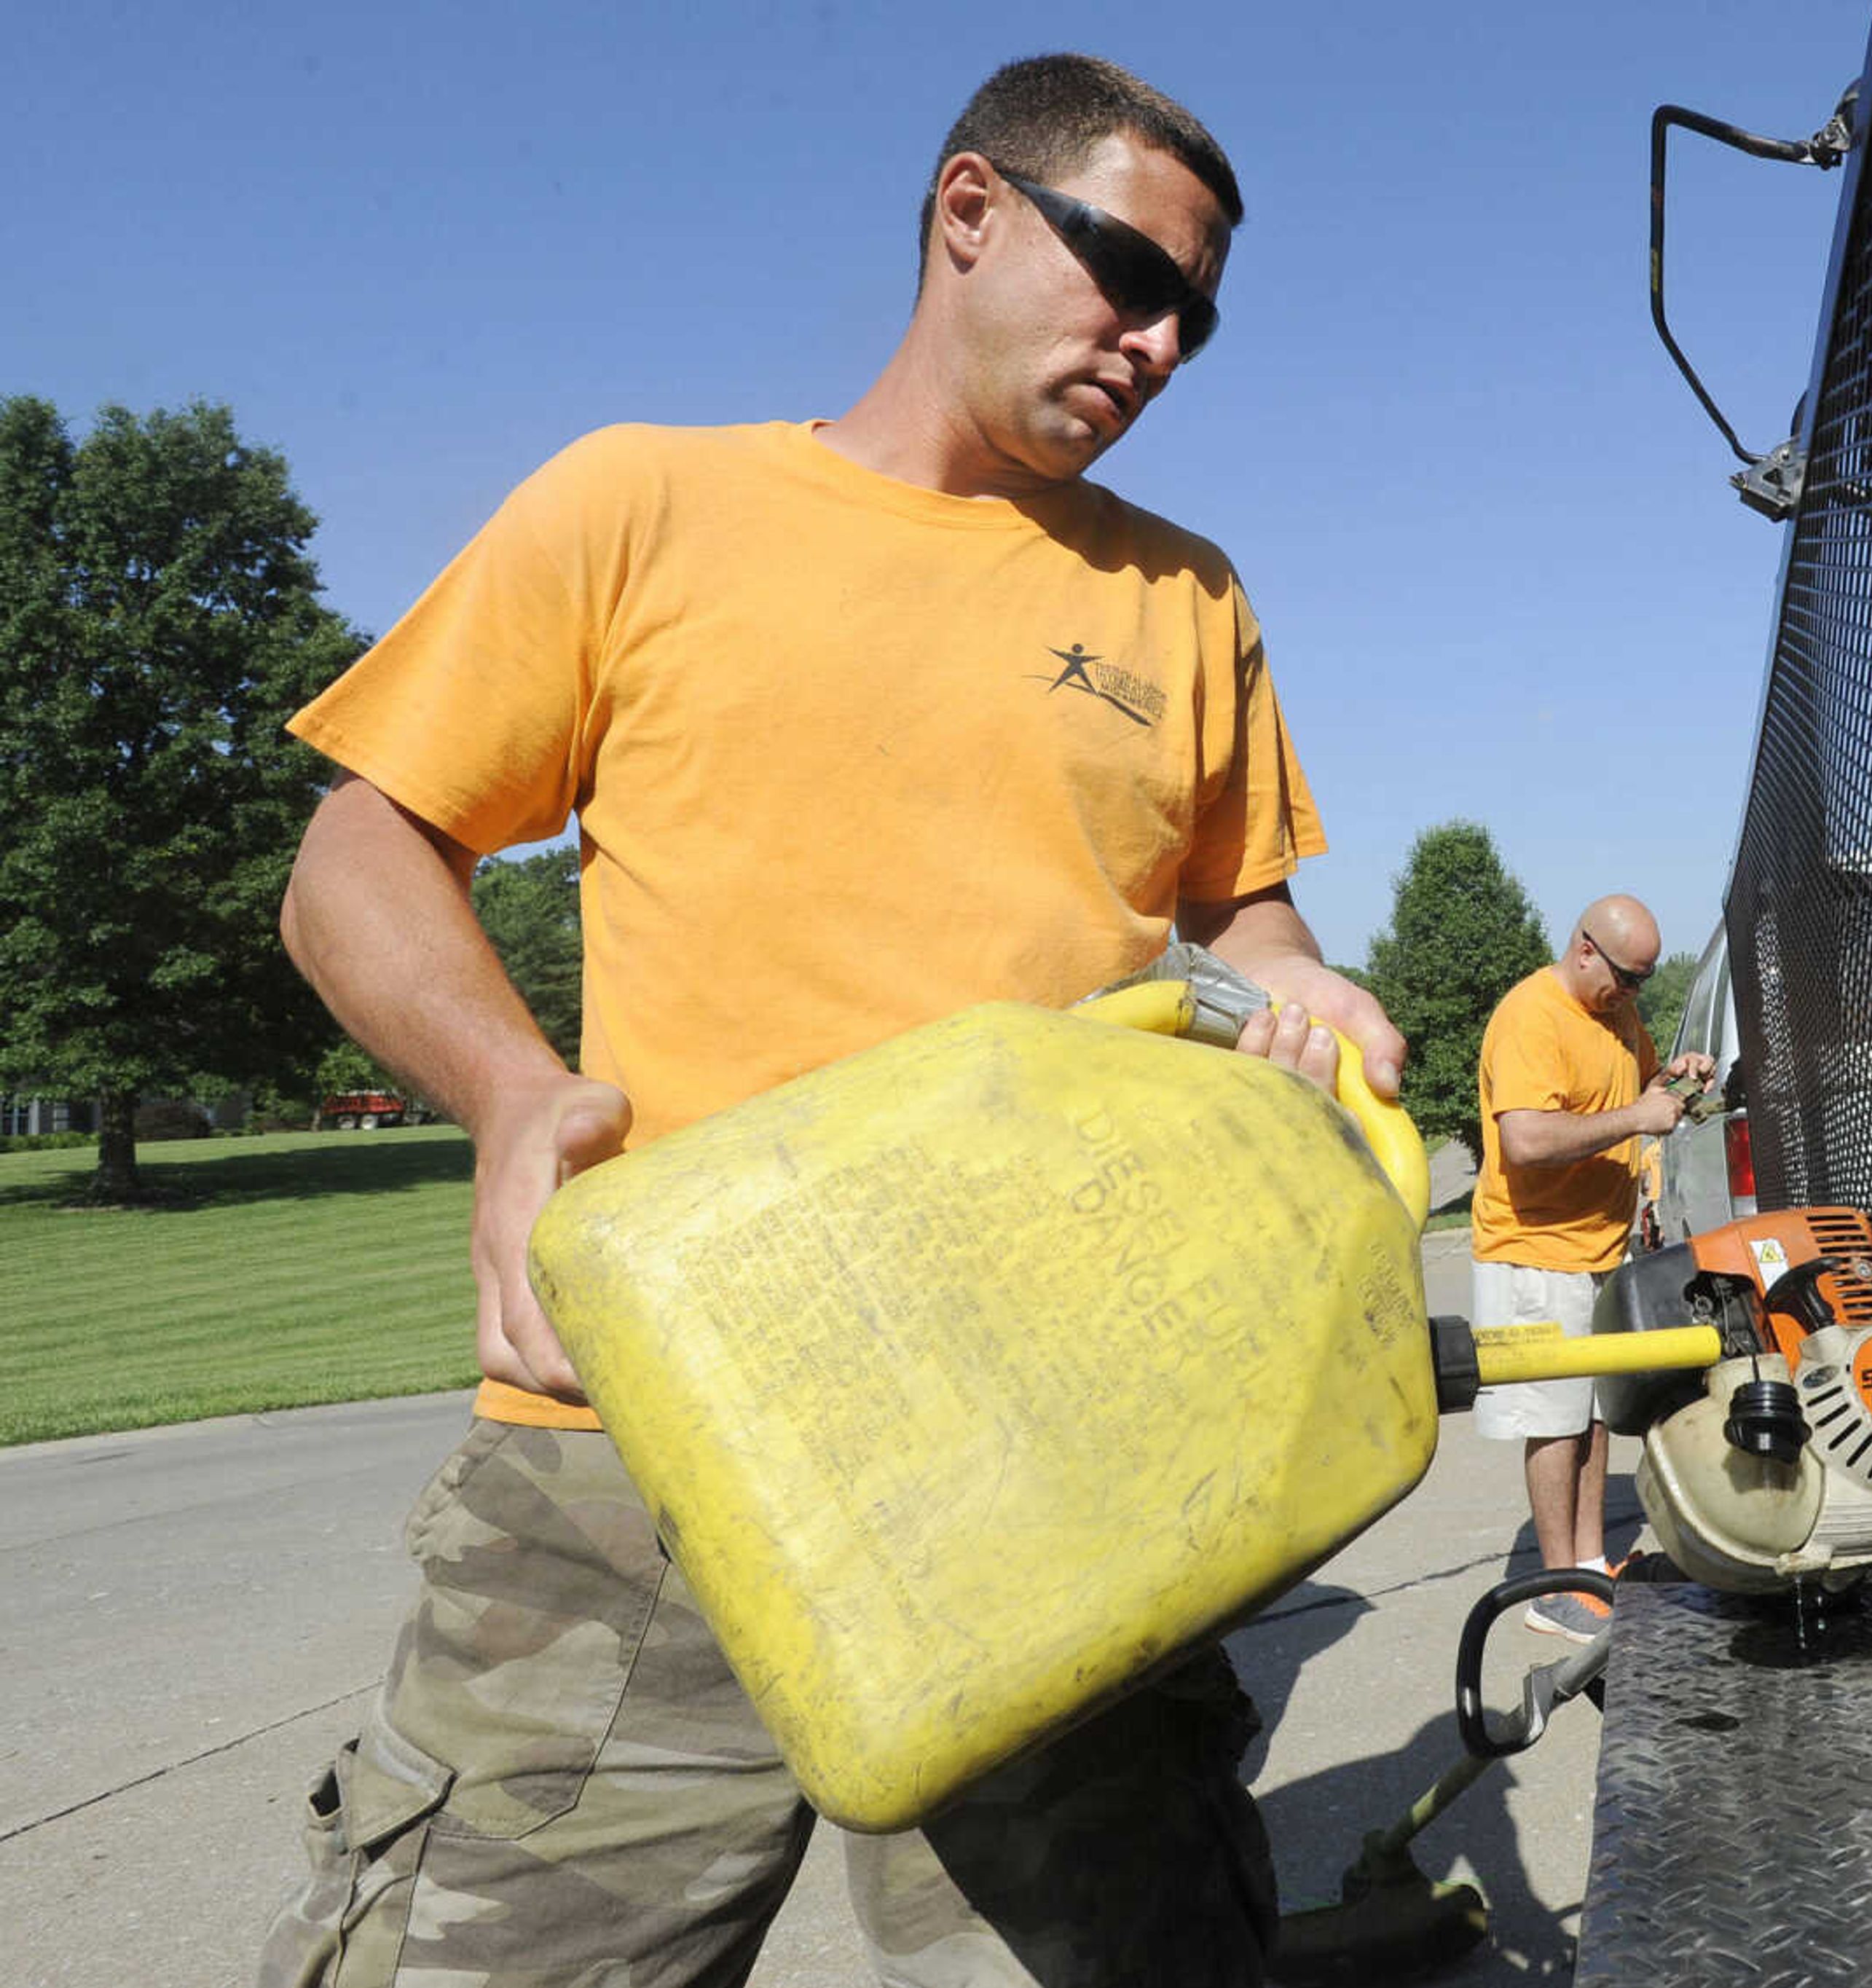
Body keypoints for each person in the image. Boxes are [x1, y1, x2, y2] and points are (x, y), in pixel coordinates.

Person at [256, 52, 1402, 1988]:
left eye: (1194, 314)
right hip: (640, 1455)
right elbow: (355, 857)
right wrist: (512, 1093)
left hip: (1068, 1460)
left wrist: (1299, 996)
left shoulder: (1185, 599)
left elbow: (1243, 930)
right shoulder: (645, 502)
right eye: (1129, 271)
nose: (1159, 342)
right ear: (971, 210)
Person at [1468, 896, 1714, 1642]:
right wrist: (1639, 1118)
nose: (1634, 994)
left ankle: (1589, 1562)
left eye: (1643, 981)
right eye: (1628, 979)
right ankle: (1555, 1587)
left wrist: (1673, 1084)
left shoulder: (1616, 1015)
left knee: (1594, 1412)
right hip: (1534, 1249)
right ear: (1584, 950)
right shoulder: (1531, 1017)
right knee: (1552, 1422)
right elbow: (1530, 1141)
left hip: (1599, 1248)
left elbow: (1637, 1095)